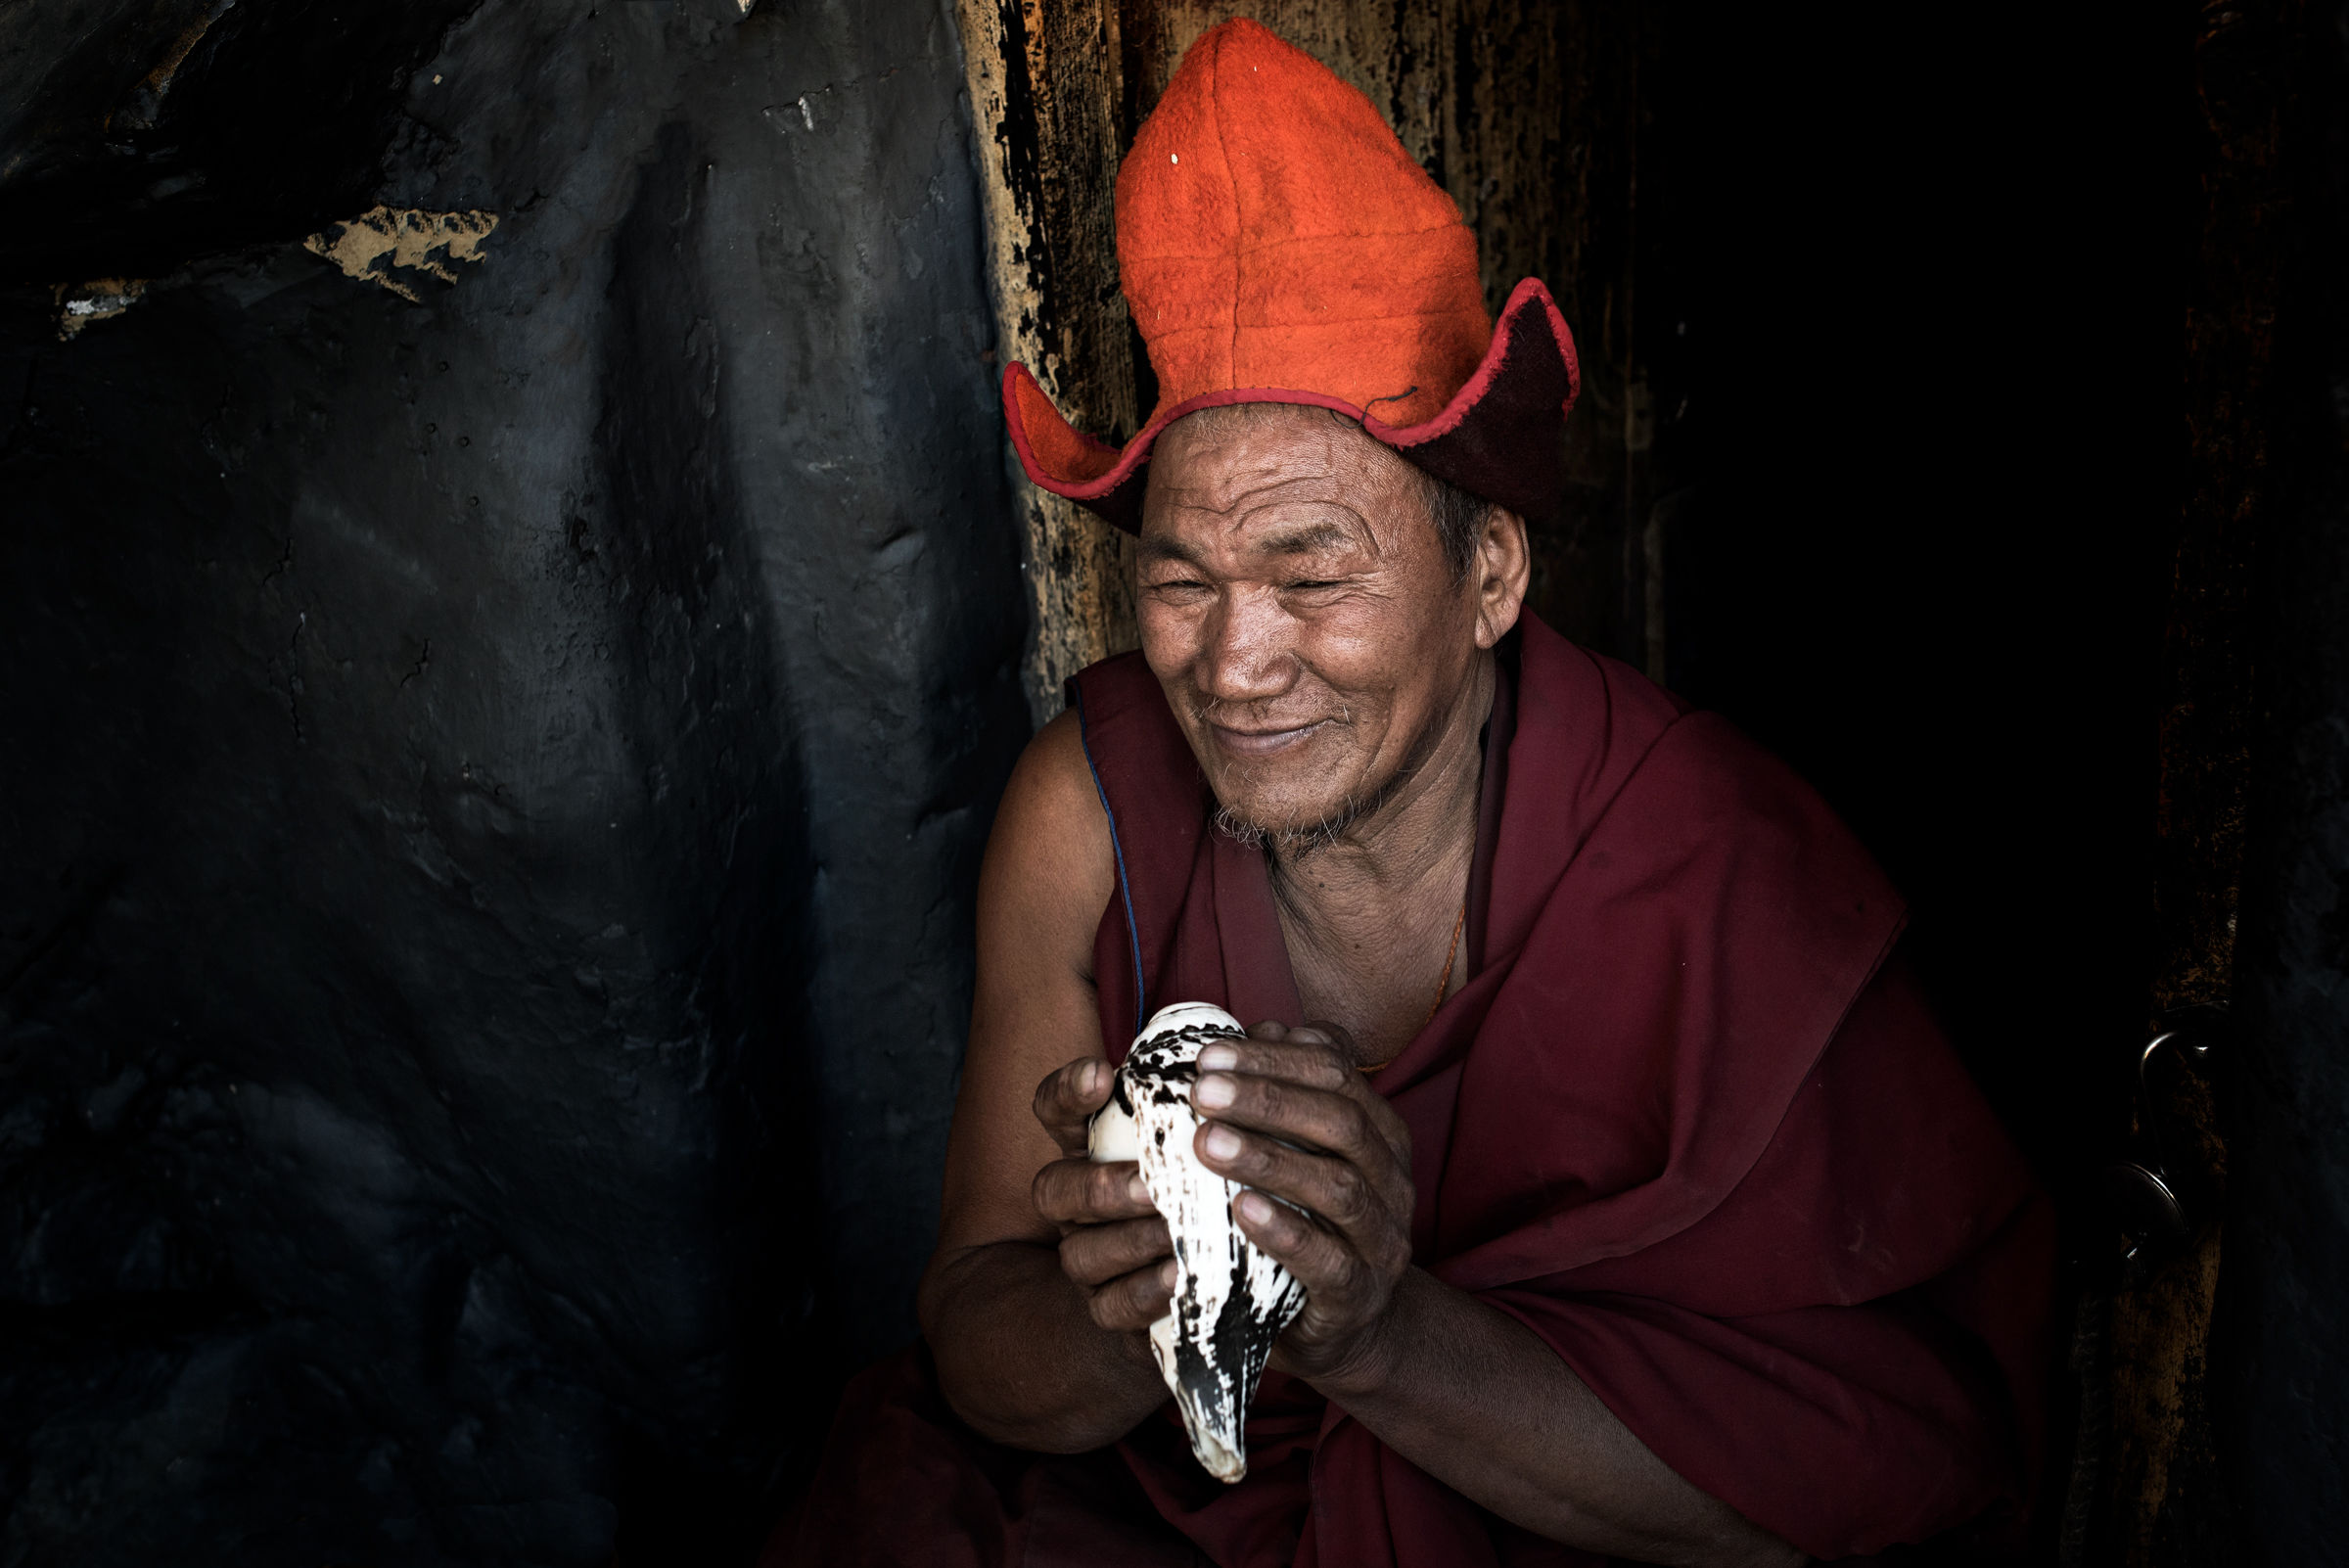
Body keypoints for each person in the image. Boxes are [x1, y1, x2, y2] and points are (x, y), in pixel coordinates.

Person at [776, 20, 2051, 1567]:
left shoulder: (1716, 868)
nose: (1234, 663)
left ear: (1491, 575)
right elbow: (979, 1336)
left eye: (1313, 572)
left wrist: (1376, 1330)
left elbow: (1862, 1472)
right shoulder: (1087, 813)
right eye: (1181, 579)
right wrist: (1148, 1308)